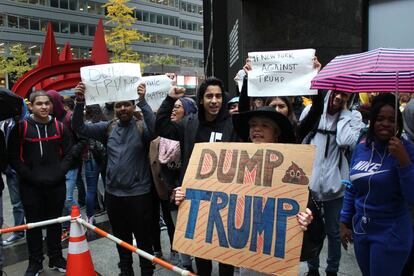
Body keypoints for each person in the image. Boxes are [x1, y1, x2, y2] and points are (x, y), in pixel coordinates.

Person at [73, 82, 156, 276]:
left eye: (127, 104)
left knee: (143, 237)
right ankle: (125, 269)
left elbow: (156, 128)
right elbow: (79, 128)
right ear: (115, 109)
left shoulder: (142, 127)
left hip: (139, 194)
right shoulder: (107, 128)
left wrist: (144, 101)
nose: (122, 108)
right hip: (113, 195)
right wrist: (79, 102)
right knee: (121, 236)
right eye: (119, 105)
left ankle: (147, 270)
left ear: (133, 106)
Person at [156, 77, 236, 276]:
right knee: (202, 253)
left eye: (218, 96)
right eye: (209, 96)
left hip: (226, 198)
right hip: (197, 199)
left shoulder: (233, 125)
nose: (214, 101)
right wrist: (169, 100)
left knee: (226, 253)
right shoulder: (189, 124)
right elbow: (161, 128)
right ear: (201, 100)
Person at [340, 93, 414, 276]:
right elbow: (352, 188)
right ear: (372, 121)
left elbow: (412, 196)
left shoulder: (407, 149)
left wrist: (404, 162)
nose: (386, 124)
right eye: (380, 118)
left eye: (391, 119)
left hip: (391, 233)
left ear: (399, 122)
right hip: (362, 230)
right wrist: (344, 221)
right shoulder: (361, 148)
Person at [8, 91, 80, 276]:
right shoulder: (21, 127)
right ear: (31, 106)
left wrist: (59, 172)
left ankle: (56, 258)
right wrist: (30, 176)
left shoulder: (59, 127)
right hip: (30, 186)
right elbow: (14, 157)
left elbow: (69, 153)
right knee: (33, 226)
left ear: (51, 105)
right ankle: (35, 263)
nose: (44, 107)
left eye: (47, 103)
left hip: (56, 184)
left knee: (55, 223)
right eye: (39, 104)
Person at [298, 90, 364, 276]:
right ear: (329, 91)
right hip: (310, 184)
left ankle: (332, 270)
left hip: (336, 188)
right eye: (337, 92)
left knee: (334, 233)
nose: (339, 97)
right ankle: (312, 269)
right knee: (311, 229)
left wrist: (344, 114)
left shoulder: (354, 116)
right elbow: (301, 140)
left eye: (345, 94)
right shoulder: (311, 110)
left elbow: (346, 141)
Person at [149, 96, 197, 268]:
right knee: (178, 228)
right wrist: (171, 188)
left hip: (193, 188)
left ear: (188, 110)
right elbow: (164, 167)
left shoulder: (193, 131)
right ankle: (186, 265)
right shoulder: (166, 136)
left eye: (178, 107)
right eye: (173, 107)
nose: (173, 110)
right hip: (173, 191)